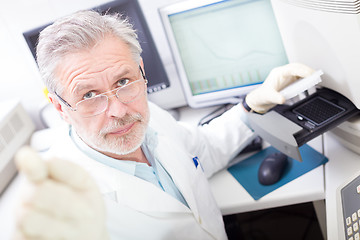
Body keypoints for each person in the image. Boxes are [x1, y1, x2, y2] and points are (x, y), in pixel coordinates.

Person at [14, 10, 314, 240]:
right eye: (89, 95)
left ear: (141, 72)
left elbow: (203, 152)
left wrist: (250, 107)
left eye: (123, 80)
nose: (118, 110)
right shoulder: (63, 204)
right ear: (60, 108)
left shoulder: (150, 115)